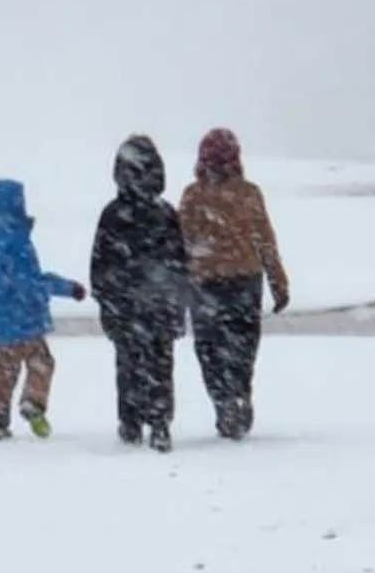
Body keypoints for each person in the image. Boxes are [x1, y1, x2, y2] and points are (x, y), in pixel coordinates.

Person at [177, 127, 289, 439]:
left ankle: (224, 400)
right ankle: (238, 393)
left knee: (210, 349)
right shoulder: (248, 193)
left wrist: (177, 285)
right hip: (243, 281)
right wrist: (278, 281)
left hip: (206, 283)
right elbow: (265, 240)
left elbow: (179, 244)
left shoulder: (193, 196)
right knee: (242, 346)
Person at [89, 134, 188, 450]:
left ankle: (131, 420)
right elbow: (179, 264)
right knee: (160, 364)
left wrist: (106, 301)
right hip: (157, 304)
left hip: (126, 305)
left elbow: (100, 265)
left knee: (128, 363)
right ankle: (159, 421)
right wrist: (177, 304)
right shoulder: (165, 214)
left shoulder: (112, 215)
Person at [0, 179, 85, 440]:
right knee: (41, 361)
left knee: (5, 368)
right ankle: (33, 402)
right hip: (21, 318)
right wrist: (65, 288)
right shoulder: (17, 242)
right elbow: (30, 283)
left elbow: (0, 283)